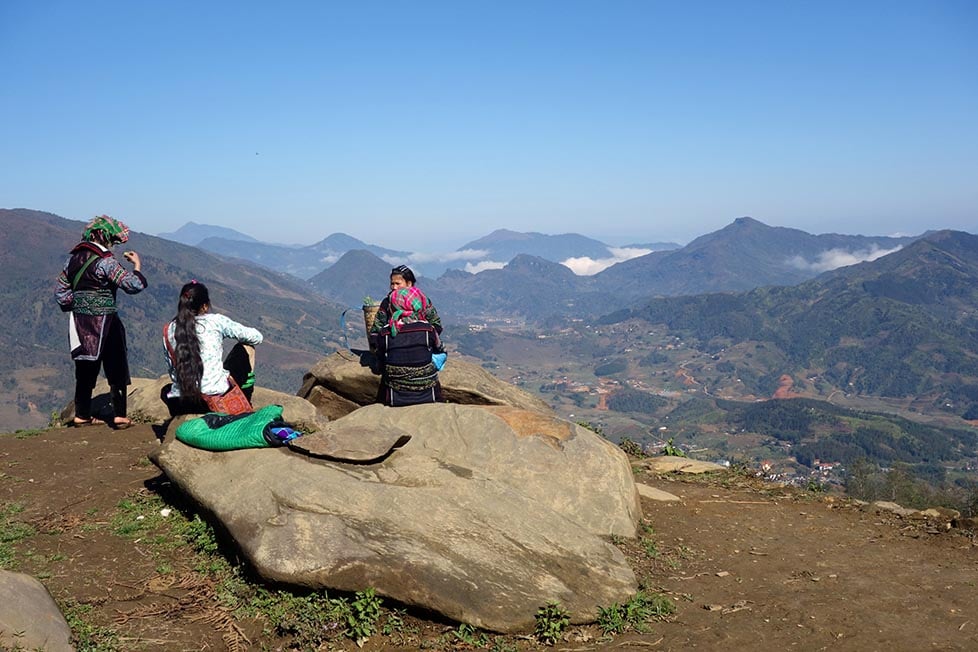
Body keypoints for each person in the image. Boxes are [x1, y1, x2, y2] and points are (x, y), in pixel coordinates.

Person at [55, 215, 147, 429]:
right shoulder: (105, 262)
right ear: (105, 238)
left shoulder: (72, 261)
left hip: (80, 322)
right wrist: (137, 266)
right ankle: (120, 416)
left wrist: (80, 303)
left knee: (85, 369)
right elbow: (133, 285)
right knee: (116, 367)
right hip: (107, 321)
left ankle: (82, 415)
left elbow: (61, 293)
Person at [162, 281, 263, 416]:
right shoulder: (215, 321)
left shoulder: (168, 330)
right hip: (212, 401)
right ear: (204, 306)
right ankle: (245, 403)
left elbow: (172, 369)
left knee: (166, 389)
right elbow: (257, 337)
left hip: (180, 402)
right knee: (247, 347)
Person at [375, 285, 445, 406]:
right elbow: (440, 349)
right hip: (428, 394)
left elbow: (380, 354)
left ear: (393, 306)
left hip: (395, 396)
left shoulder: (386, 332)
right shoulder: (428, 329)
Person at [369, 265, 441, 349]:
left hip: (421, 346)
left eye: (398, 283)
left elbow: (436, 325)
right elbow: (378, 326)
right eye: (392, 283)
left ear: (409, 284)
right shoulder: (387, 302)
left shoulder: (423, 301)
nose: (394, 287)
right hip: (395, 346)